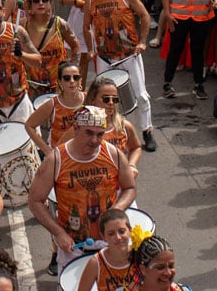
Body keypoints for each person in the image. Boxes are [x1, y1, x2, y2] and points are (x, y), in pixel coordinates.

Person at [28, 105, 138, 277]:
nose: (95, 140)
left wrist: (117, 209)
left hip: (109, 245)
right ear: (76, 129)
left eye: (100, 134)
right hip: (74, 248)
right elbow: (35, 200)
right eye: (88, 133)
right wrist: (59, 233)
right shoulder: (56, 160)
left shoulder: (113, 154)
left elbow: (129, 188)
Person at [84, 0, 156, 150]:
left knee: (141, 95)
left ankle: (147, 130)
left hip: (129, 55)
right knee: (105, 98)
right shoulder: (90, 0)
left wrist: (142, 41)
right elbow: (86, 27)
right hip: (104, 58)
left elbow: (144, 15)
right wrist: (92, 46)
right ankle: (107, 133)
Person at [74, 208, 139, 291]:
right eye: (111, 234)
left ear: (130, 231)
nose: (118, 237)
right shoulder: (96, 263)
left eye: (122, 231)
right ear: (103, 237)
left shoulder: (140, 255)